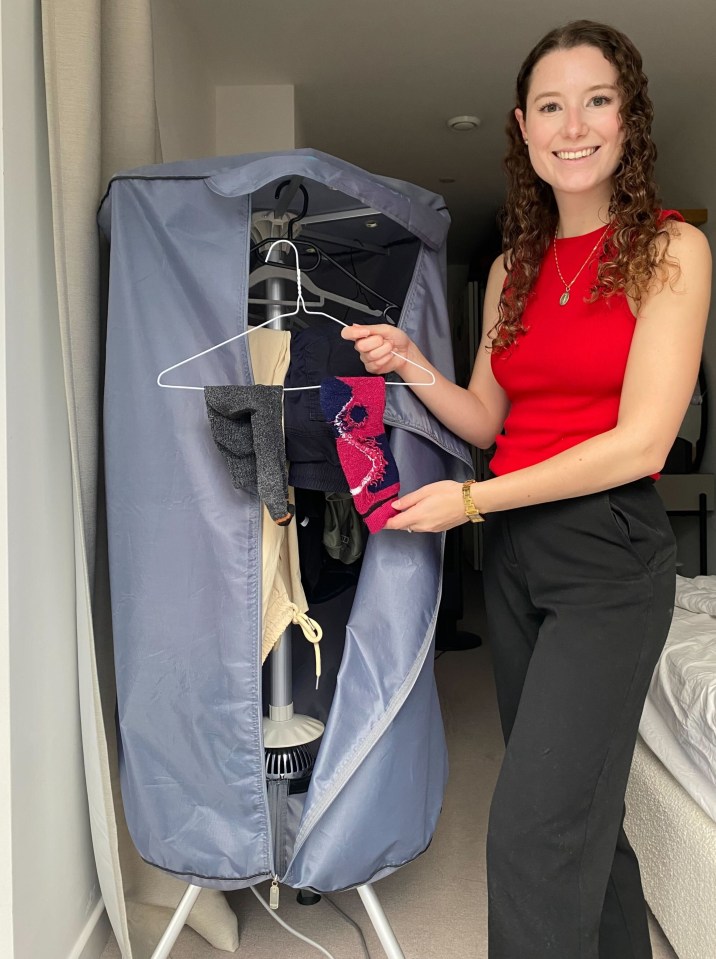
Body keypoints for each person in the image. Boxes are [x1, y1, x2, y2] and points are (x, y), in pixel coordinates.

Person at [341, 19, 711, 959]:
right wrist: (415, 364)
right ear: (523, 125)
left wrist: (471, 503)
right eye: (552, 105)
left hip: (608, 555)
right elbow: (486, 419)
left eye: (597, 101)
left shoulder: (671, 251)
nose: (573, 124)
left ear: (628, 122)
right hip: (513, 553)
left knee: (532, 830)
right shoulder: (514, 268)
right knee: (581, 820)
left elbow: (641, 443)